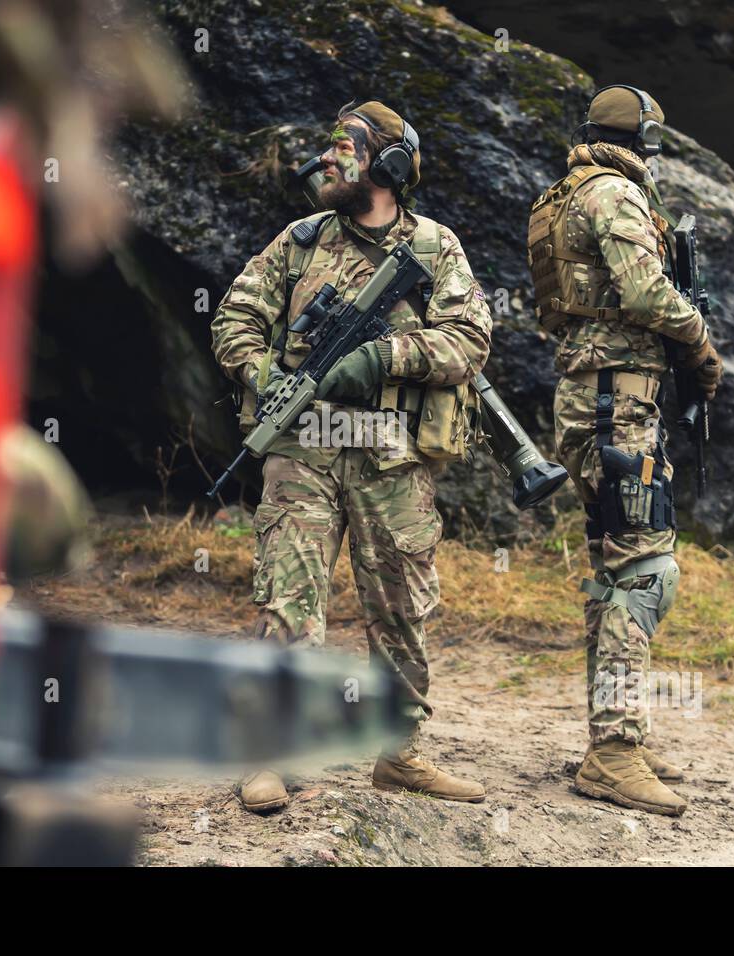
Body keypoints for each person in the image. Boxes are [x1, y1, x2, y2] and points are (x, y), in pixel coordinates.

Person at [211, 100, 491, 812]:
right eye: (328, 145)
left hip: (390, 458)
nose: (329, 158)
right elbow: (235, 316)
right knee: (288, 601)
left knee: (400, 610)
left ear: (391, 165)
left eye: (346, 147)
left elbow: (469, 340)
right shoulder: (300, 241)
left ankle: (399, 755)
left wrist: (383, 356)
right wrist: (263, 374)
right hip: (303, 450)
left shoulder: (434, 248)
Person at [527, 85, 723, 816]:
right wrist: (700, 338)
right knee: (648, 569)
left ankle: (618, 737)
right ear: (642, 138)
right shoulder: (614, 193)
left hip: (598, 398)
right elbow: (644, 293)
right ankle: (613, 752)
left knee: (616, 572)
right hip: (615, 405)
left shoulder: (569, 190)